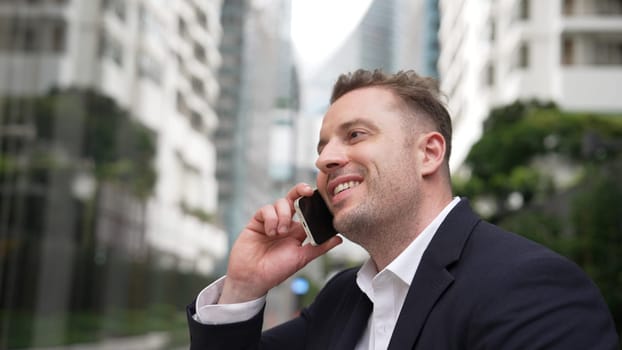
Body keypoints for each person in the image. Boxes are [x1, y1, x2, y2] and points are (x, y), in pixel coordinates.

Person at [187, 69, 619, 349]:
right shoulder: (342, 297)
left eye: (354, 135)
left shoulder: (532, 287)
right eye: (322, 148)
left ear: (428, 153)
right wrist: (244, 287)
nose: (325, 159)